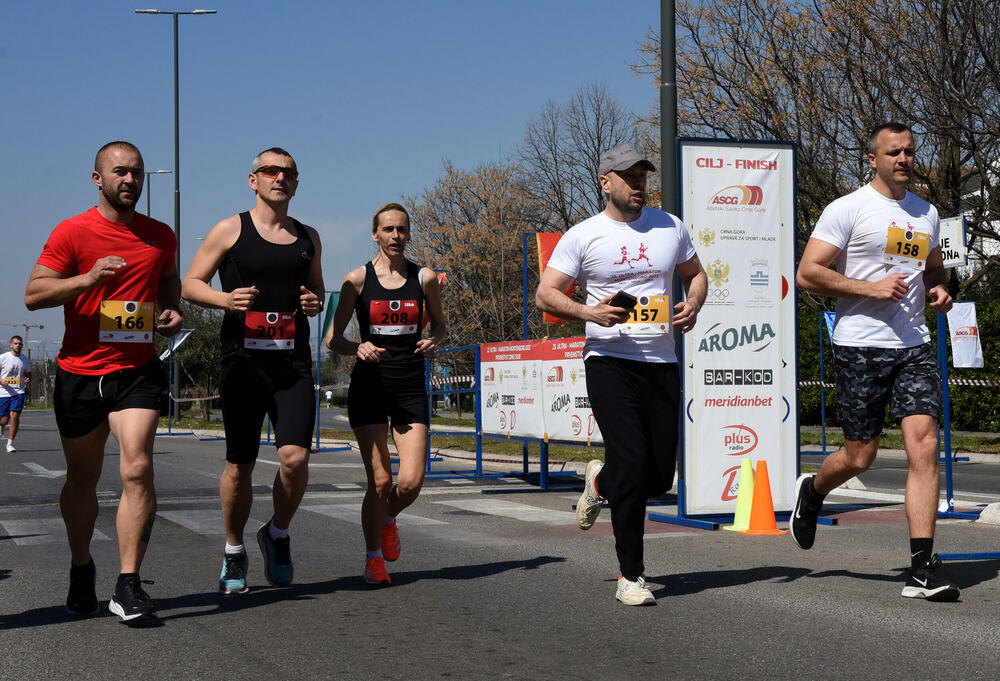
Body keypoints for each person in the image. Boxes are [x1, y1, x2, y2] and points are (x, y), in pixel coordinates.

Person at [535, 144, 707, 606]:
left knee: (656, 477)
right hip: (609, 360)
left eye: (643, 176)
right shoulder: (584, 236)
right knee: (631, 463)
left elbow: (696, 275)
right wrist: (588, 311)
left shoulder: (670, 227)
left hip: (661, 362)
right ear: (605, 182)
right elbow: (546, 295)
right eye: (628, 177)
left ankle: (599, 483)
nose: (638, 185)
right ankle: (631, 575)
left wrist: (693, 304)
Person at [794, 122, 959, 601]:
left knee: (923, 446)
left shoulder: (927, 213)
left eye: (909, 151)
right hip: (859, 344)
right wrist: (869, 288)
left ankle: (921, 569)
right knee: (860, 455)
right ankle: (814, 492)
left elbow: (932, 268)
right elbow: (808, 273)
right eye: (894, 152)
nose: (904, 159)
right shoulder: (847, 209)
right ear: (873, 159)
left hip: (913, 344)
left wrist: (939, 289)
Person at [24, 141, 183, 622]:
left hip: (135, 370)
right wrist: (87, 280)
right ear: (98, 179)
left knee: (137, 468)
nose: (130, 180)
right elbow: (34, 295)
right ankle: (80, 566)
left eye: (137, 173)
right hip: (79, 372)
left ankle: (128, 583)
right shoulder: (72, 232)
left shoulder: (160, 236)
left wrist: (171, 312)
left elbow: (168, 282)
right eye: (120, 172)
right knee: (82, 479)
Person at [182, 147, 324, 595]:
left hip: (292, 363)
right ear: (253, 180)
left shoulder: (308, 236)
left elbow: (317, 290)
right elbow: (190, 284)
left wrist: (314, 303)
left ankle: (276, 533)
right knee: (239, 467)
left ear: (296, 183)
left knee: (295, 458)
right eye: (270, 171)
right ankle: (232, 549)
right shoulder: (230, 229)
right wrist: (225, 300)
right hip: (242, 364)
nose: (279, 177)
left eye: (288, 173)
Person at [325, 203, 446, 586]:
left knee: (410, 482)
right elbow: (333, 338)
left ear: (409, 234)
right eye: (388, 229)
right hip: (370, 386)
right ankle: (373, 558)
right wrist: (356, 348)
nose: (396, 236)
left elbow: (442, 327)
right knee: (379, 480)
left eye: (402, 230)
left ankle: (389, 518)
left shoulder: (424, 278)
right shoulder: (357, 280)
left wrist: (433, 340)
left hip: (409, 384)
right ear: (375, 234)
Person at [0, 335, 32, 452]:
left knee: (15, 415)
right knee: (4, 420)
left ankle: (10, 444)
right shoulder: (3, 358)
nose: (18, 345)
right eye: (15, 343)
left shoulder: (25, 359)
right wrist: (1, 380)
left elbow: (28, 373)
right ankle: (1, 426)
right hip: (3, 392)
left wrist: (28, 379)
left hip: (18, 391)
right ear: (11, 345)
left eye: (20, 344)